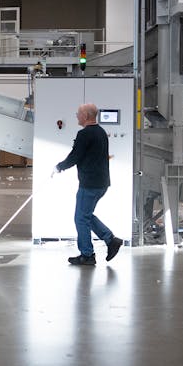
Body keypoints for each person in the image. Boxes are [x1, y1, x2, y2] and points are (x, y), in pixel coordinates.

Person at [54, 102, 124, 266]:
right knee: (85, 215)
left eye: (78, 113)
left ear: (85, 116)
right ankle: (110, 239)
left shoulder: (84, 134)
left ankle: (87, 254)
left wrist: (59, 167)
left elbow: (74, 156)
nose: (76, 116)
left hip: (90, 184)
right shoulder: (100, 132)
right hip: (101, 183)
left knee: (80, 218)